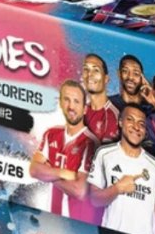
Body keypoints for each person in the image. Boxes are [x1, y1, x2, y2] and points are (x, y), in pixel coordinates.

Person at [74, 104, 155, 234]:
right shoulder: (104, 154)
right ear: (120, 122)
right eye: (130, 120)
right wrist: (118, 188)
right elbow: (95, 199)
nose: (136, 127)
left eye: (141, 124)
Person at [29, 80, 102, 225]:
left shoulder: (90, 143)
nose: (71, 106)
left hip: (76, 224)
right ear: (61, 103)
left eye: (76, 101)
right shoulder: (51, 134)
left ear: (85, 109)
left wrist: (48, 173)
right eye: (67, 100)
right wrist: (64, 173)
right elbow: (33, 170)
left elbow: (79, 190)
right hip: (50, 219)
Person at [80, 53, 120, 143]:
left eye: (96, 70)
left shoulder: (112, 116)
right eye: (86, 69)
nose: (89, 74)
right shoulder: (80, 110)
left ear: (106, 79)